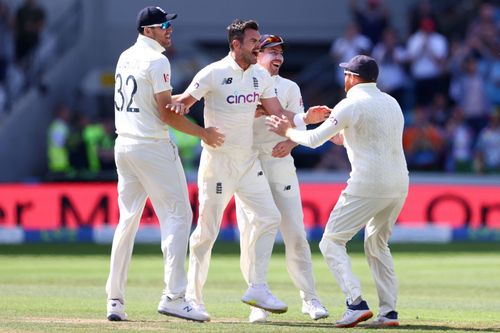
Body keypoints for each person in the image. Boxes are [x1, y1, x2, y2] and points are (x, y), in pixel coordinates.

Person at [174, 19, 329, 321]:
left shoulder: (260, 76)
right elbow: (183, 103)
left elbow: (280, 114)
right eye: (254, 42)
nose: (258, 46)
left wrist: (305, 119)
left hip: (247, 163)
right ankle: (192, 299)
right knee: (206, 234)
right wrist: (201, 133)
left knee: (270, 217)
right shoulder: (213, 73)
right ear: (236, 44)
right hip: (218, 164)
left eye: (260, 41)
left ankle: (258, 288)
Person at [267, 55, 409, 328]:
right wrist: (337, 125)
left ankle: (355, 303)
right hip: (399, 183)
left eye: (346, 73)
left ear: (352, 78)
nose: (344, 77)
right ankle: (389, 313)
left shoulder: (350, 104)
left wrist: (288, 129)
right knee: (377, 244)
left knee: (331, 241)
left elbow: (310, 140)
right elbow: (362, 139)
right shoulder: (391, 102)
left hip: (368, 183)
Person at [105, 6, 224, 323]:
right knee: (179, 214)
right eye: (163, 25)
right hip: (151, 146)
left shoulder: (125, 56)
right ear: (147, 31)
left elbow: (157, 104)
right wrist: (203, 133)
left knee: (127, 221)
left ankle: (114, 300)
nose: (169, 29)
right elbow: (166, 114)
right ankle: (174, 296)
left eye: (170, 24)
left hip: (124, 145)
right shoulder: (157, 60)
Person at [234, 34, 328, 323]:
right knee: (252, 234)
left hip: (279, 162)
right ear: (256, 53)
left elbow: (295, 126)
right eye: (271, 52)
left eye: (280, 53)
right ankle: (257, 302)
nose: (278, 58)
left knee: (296, 234)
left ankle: (309, 298)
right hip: (248, 162)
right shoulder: (241, 82)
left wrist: (291, 143)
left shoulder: (289, 86)